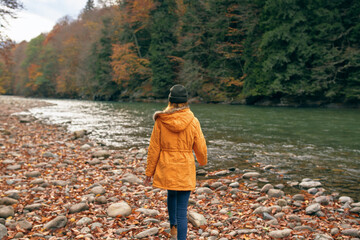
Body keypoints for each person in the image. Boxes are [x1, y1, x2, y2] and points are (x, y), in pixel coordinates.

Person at [144, 84, 207, 240]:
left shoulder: (161, 120)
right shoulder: (193, 121)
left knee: (172, 194)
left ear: (170, 101)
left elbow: (154, 148)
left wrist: (149, 173)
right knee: (182, 212)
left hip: (167, 166)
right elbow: (200, 145)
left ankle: (173, 230)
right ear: (186, 102)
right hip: (184, 167)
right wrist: (202, 161)